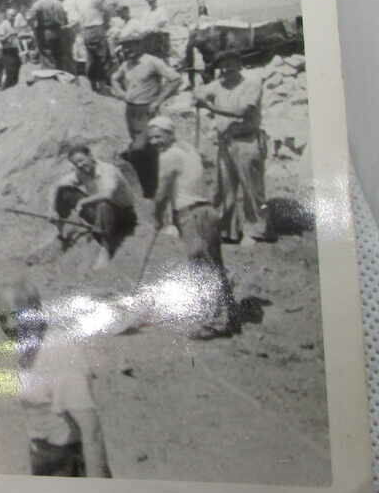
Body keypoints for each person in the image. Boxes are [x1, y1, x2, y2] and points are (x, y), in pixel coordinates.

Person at [0, 279, 112, 477]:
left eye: (16, 315)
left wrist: (95, 488)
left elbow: (92, 432)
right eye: (2, 318)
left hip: (71, 465)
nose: (9, 325)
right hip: (46, 461)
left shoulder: (60, 354)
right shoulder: (29, 351)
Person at [148, 115, 236, 339]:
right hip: (206, 212)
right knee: (213, 266)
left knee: (202, 268)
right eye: (151, 138)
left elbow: (162, 192)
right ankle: (227, 316)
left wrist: (157, 216)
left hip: (193, 215)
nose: (154, 142)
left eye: (158, 136)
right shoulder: (188, 149)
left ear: (170, 134)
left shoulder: (169, 156)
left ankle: (213, 323)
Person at [194, 50, 270, 242]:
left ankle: (257, 230)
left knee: (252, 189)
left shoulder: (251, 85)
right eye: (223, 65)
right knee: (225, 188)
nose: (226, 69)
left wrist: (209, 106)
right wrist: (198, 91)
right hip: (225, 142)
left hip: (247, 141)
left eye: (231, 64)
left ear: (239, 65)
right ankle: (228, 231)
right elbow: (198, 94)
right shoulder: (218, 85)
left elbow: (242, 111)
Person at [108, 35, 182, 198]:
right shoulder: (126, 64)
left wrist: (158, 101)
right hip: (131, 111)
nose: (127, 50)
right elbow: (114, 78)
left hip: (147, 110)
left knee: (140, 148)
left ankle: (155, 188)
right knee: (145, 149)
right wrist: (121, 93)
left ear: (140, 45)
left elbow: (175, 79)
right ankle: (149, 189)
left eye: (131, 45)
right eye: (124, 47)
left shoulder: (152, 61)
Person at [51, 145, 138, 270]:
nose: (79, 165)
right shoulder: (81, 172)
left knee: (103, 203)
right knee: (64, 191)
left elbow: (107, 194)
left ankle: (106, 248)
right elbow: (58, 185)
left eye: (81, 160)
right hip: (101, 211)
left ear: (90, 156)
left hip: (123, 214)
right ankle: (60, 230)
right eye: (76, 164)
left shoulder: (108, 170)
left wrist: (83, 201)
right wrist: (52, 210)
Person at [74, 0, 110, 92]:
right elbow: (107, 11)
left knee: (90, 58)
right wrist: (106, 25)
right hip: (97, 28)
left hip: (86, 30)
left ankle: (93, 86)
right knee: (102, 58)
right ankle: (103, 87)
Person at [28, 0, 68, 70]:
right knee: (58, 58)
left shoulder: (38, 4)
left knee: (47, 59)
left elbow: (30, 18)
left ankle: (50, 75)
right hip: (58, 32)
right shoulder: (58, 3)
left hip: (44, 33)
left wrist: (34, 29)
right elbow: (64, 18)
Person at [184, 8, 219, 88]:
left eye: (202, 11)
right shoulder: (202, 22)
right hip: (204, 46)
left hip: (203, 45)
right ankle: (207, 79)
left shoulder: (203, 22)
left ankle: (205, 80)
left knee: (205, 63)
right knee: (207, 63)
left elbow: (205, 33)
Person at [0, 8, 22, 91]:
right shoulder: (3, 25)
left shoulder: (13, 25)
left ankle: (11, 84)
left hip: (12, 48)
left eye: (14, 15)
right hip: (4, 49)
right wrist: (9, 34)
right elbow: (1, 39)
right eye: (12, 15)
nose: (13, 17)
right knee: (3, 67)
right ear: (7, 15)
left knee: (16, 65)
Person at [57, 0, 79, 75]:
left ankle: (73, 75)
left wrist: (64, 28)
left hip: (72, 32)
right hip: (71, 32)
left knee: (71, 55)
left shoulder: (68, 2)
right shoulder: (69, 0)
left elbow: (74, 20)